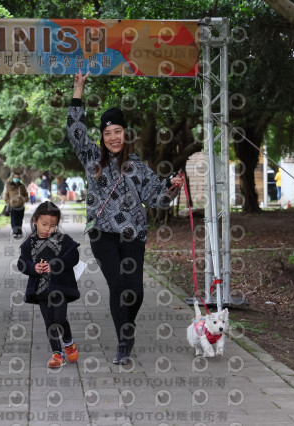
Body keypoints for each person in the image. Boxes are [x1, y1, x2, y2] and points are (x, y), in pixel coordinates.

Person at [67, 70, 183, 365]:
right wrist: (78, 89)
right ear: (102, 137)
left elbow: (156, 198)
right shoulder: (92, 158)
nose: (113, 137)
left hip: (133, 235)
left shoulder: (138, 166)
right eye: (107, 133)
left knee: (136, 292)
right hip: (102, 234)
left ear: (125, 134)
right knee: (118, 286)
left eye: (117, 131)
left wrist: (171, 187)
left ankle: (126, 325)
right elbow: (76, 130)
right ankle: (124, 339)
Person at [17, 201, 81, 368]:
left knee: (59, 318)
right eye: (44, 224)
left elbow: (73, 256)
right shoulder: (29, 244)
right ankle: (57, 353)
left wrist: (55, 264)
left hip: (61, 287)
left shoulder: (63, 240)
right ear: (35, 221)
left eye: (52, 226)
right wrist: (33, 267)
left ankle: (68, 342)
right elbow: (21, 263)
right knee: (49, 321)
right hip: (41, 290)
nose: (48, 229)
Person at [4, 173, 29, 238]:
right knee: (14, 219)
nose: (16, 179)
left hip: (21, 205)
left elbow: (26, 194)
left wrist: (25, 199)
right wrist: (7, 200)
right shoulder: (9, 186)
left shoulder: (22, 186)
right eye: (15, 177)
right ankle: (15, 232)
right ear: (12, 178)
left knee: (19, 219)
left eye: (17, 177)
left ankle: (19, 231)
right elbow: (6, 195)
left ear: (19, 178)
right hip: (12, 205)